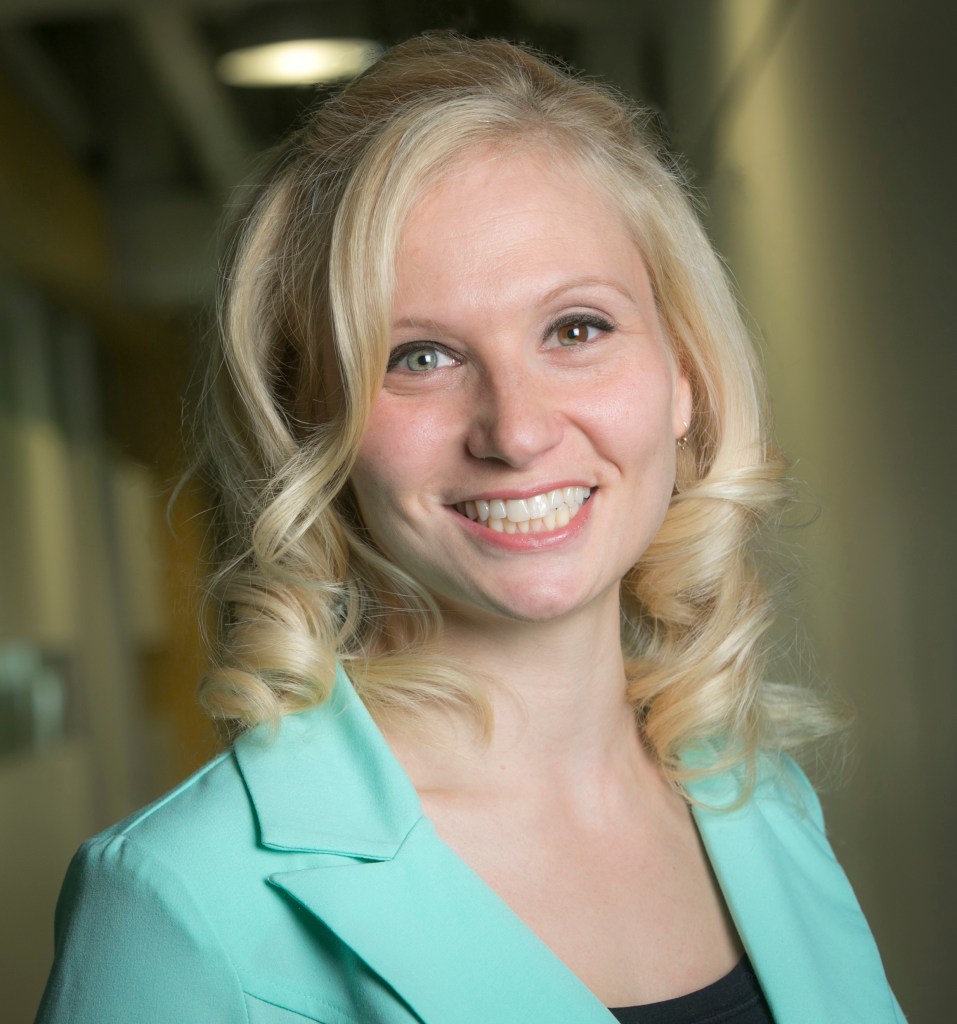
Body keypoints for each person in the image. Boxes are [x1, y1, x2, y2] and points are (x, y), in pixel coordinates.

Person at [36, 33, 904, 1024]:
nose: (518, 429)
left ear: (684, 377)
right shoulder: (181, 903)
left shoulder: (764, 802)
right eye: (420, 356)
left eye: (576, 329)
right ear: (312, 422)